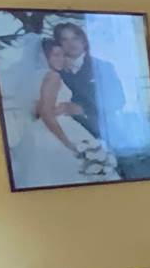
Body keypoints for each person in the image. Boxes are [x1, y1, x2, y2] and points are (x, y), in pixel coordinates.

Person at [16, 40, 119, 185]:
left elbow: (37, 109)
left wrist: (63, 108)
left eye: (63, 55)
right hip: (58, 128)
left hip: (38, 131)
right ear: (44, 56)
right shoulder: (53, 76)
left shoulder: (36, 77)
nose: (61, 59)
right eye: (56, 55)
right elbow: (45, 112)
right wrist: (67, 143)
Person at [51, 21, 124, 142]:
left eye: (75, 38)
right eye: (65, 40)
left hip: (102, 133)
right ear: (59, 44)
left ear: (84, 41)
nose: (71, 44)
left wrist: (82, 109)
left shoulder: (103, 67)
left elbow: (118, 101)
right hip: (64, 134)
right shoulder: (55, 70)